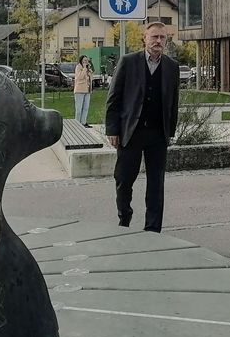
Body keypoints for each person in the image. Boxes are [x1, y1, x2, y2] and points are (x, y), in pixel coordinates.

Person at [105, 21, 180, 232]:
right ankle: (124, 218)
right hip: (131, 132)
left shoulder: (171, 66)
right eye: (154, 37)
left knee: (156, 183)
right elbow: (114, 98)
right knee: (124, 180)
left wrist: (170, 131)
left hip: (158, 133)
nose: (158, 41)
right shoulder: (128, 62)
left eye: (162, 38)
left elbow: (173, 101)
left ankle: (153, 229)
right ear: (144, 39)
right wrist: (112, 129)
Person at [73, 55, 94, 126]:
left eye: (87, 60)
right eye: (84, 60)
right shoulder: (78, 67)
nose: (86, 62)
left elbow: (90, 78)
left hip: (87, 90)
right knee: (79, 109)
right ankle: (77, 123)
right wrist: (84, 68)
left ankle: (83, 122)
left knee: (86, 108)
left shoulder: (88, 68)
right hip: (79, 90)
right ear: (81, 61)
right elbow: (80, 77)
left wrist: (90, 71)